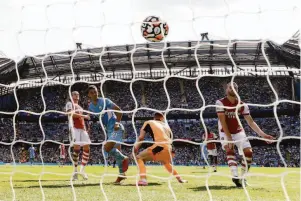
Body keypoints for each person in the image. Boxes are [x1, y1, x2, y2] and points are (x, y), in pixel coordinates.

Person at [216, 82, 274, 187]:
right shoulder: (220, 103)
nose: (233, 89)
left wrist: (263, 135)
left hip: (239, 131)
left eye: (235, 87)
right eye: (230, 87)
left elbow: (250, 122)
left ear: (237, 91)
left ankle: (242, 178)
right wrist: (229, 137)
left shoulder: (242, 105)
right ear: (226, 90)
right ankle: (235, 176)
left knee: (249, 152)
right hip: (225, 131)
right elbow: (223, 121)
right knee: (229, 149)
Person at [87, 85, 129, 184]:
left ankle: (124, 158)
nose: (95, 93)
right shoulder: (91, 107)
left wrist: (117, 123)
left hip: (116, 128)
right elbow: (91, 117)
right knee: (116, 153)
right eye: (92, 92)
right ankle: (121, 175)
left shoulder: (105, 101)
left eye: (96, 91)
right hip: (109, 131)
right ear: (89, 95)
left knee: (106, 148)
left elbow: (119, 110)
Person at [134, 112, 187, 186]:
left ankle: (143, 179)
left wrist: (135, 148)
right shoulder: (166, 126)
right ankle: (179, 179)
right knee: (166, 163)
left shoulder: (149, 122)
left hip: (160, 147)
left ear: (154, 118)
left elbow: (141, 137)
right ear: (162, 118)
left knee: (138, 158)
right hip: (171, 150)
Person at [66, 91, 91, 180]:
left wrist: (86, 125)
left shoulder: (80, 107)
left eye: (78, 94)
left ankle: (82, 170)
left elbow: (81, 118)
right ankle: (75, 171)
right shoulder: (69, 103)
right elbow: (69, 113)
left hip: (82, 129)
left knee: (87, 147)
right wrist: (84, 116)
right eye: (75, 94)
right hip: (74, 128)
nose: (77, 96)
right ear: (71, 96)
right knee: (77, 148)